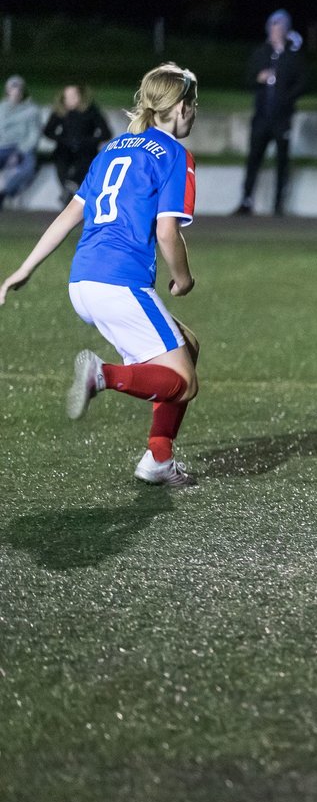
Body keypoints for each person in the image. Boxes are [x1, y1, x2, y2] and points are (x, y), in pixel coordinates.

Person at [0, 63, 202, 488]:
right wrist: (182, 278)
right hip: (120, 282)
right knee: (183, 383)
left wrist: (24, 268)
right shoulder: (175, 156)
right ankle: (103, 375)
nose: (194, 112)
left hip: (83, 281)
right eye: (192, 104)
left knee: (188, 346)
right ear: (180, 107)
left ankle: (158, 459)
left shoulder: (112, 148)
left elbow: (69, 215)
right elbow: (167, 231)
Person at [235, 9, 307, 217]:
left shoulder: (293, 56)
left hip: (282, 117)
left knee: (282, 161)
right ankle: (246, 200)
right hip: (261, 116)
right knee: (254, 158)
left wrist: (287, 97)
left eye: (281, 28)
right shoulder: (260, 54)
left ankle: (278, 204)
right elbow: (248, 79)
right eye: (274, 28)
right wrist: (259, 78)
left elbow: (303, 82)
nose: (277, 32)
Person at [42, 84, 111, 204]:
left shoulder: (91, 111)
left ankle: (70, 188)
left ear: (80, 97)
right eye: (67, 97)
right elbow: (48, 131)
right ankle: (67, 189)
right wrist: (64, 140)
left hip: (86, 149)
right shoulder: (61, 112)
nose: (70, 99)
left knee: (86, 161)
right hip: (65, 149)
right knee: (60, 158)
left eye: (73, 96)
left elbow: (106, 133)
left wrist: (87, 141)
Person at [0, 75, 41, 210]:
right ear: (7, 90)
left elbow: (34, 135)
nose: (16, 92)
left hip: (22, 147)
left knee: (28, 169)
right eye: (13, 88)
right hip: (2, 147)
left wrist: (20, 152)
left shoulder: (31, 110)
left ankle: (5, 193)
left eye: (18, 88)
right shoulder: (2, 108)